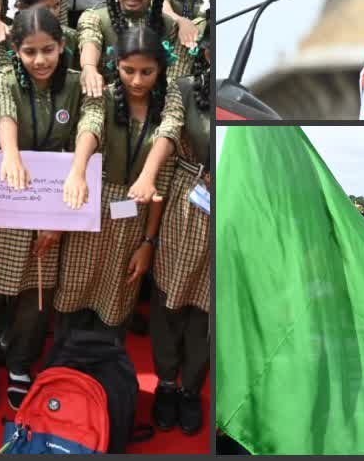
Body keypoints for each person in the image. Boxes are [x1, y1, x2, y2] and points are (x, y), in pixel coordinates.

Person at [0, 8, 92, 412]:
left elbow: (92, 122)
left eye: (48, 50)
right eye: (30, 51)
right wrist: (12, 156)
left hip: (55, 197)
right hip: (6, 192)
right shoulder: (3, 79)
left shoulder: (76, 86)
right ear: (16, 50)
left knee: (36, 293)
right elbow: (4, 115)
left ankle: (20, 363)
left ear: (62, 47)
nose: (40, 60)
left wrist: (60, 216)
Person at [56, 24, 182, 341]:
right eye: (128, 70)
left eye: (146, 72)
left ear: (160, 70)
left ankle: (104, 372)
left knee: (116, 301)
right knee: (73, 293)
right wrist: (78, 168)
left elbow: (160, 187)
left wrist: (148, 243)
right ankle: (67, 371)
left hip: (133, 221)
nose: (137, 81)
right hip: (90, 210)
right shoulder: (104, 97)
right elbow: (91, 124)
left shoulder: (168, 106)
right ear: (115, 65)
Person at [151, 30, 210, 435]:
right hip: (185, 203)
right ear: (204, 50)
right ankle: (166, 384)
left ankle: (191, 390)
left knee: (205, 314)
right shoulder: (183, 88)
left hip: (228, 211)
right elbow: (170, 129)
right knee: (169, 304)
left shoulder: (245, 97)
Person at [76, 0, 186, 98]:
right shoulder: (95, 18)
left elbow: (174, 80)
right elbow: (90, 41)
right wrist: (89, 68)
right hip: (107, 101)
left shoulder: (169, 25)